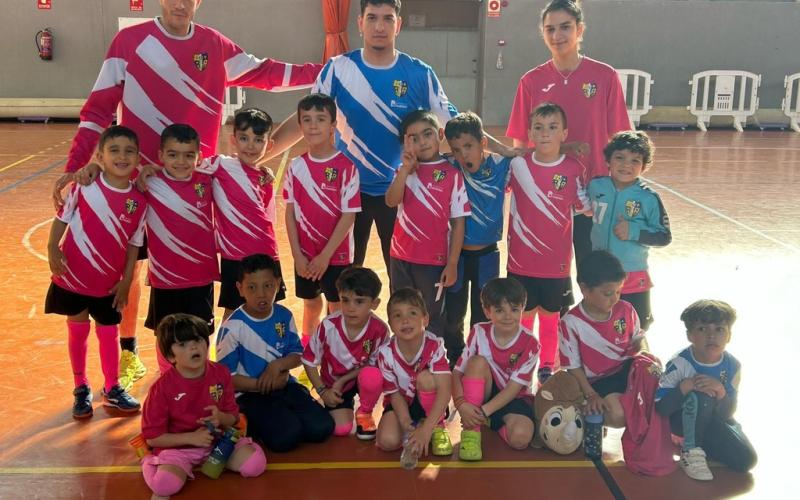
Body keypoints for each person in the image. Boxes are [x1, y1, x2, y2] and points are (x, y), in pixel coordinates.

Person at [52, 0, 323, 391]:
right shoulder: (129, 42)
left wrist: (326, 71)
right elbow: (97, 111)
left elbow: (268, 72)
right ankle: (129, 352)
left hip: (193, 189)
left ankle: (202, 366)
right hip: (139, 184)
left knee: (190, 278)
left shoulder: (215, 46)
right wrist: (77, 166)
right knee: (130, 273)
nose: (180, 3)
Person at [270, 0, 516, 278]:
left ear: (398, 25)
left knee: (401, 279)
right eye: (372, 18)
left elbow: (455, 122)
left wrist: (502, 148)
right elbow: (306, 117)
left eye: (387, 18)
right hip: (348, 192)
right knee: (345, 281)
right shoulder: (338, 69)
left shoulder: (419, 73)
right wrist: (265, 153)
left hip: (399, 192)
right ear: (360, 23)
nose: (379, 26)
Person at [506, 0, 630, 267]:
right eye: (550, 29)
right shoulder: (531, 81)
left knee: (593, 270)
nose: (557, 35)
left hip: (593, 192)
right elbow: (520, 147)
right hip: (547, 193)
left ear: (580, 30)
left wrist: (621, 191)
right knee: (549, 273)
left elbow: (620, 139)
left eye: (565, 27)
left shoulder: (605, 76)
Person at [45, 125, 145, 418]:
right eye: (114, 150)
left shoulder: (139, 201)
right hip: (73, 276)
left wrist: (126, 281)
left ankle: (112, 387)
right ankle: (80, 386)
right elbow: (62, 218)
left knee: (108, 333)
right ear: (100, 157)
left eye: (129, 151)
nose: (122, 156)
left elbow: (134, 244)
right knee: (77, 332)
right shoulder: (84, 186)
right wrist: (52, 247)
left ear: (138, 158)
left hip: (109, 283)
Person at [216, 254, 334, 452]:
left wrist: (278, 365)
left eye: (268, 285)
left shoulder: (283, 315)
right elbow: (227, 379)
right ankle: (248, 421)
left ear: (278, 284)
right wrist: (263, 385)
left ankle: (283, 414)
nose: (261, 294)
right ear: (240, 288)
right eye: (252, 287)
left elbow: (297, 354)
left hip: (284, 386)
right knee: (286, 438)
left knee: (322, 428)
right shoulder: (232, 327)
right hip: (249, 394)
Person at [141, 313, 266, 499]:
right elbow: (153, 438)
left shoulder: (221, 373)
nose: (193, 346)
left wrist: (221, 418)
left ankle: (213, 461)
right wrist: (192, 438)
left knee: (255, 465)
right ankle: (149, 462)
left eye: (198, 340)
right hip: (178, 449)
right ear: (170, 356)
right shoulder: (161, 388)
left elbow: (233, 416)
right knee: (164, 486)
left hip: (217, 443)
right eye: (182, 344)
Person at [507, 102, 589, 383]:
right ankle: (523, 362)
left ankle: (546, 365)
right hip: (520, 260)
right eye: (538, 128)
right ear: (529, 133)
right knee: (523, 316)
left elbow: (585, 206)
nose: (545, 133)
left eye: (552, 127)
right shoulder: (517, 165)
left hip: (556, 264)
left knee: (551, 318)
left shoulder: (573, 168)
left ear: (564, 134)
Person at [385, 110, 470, 343]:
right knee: (401, 311)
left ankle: (433, 360)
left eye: (427, 134)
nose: (422, 142)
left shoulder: (452, 175)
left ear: (440, 135)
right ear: (406, 142)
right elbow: (391, 201)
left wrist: (452, 263)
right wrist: (405, 170)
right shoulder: (404, 171)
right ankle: (403, 358)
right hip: (400, 256)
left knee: (431, 316)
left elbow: (458, 222)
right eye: (414, 138)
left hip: (433, 261)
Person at [283, 93, 361, 347]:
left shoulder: (346, 167)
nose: (313, 125)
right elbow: (289, 213)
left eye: (320, 119)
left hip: (336, 255)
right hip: (305, 255)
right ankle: (310, 350)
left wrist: (326, 256)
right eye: (307, 119)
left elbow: (349, 215)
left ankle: (335, 352)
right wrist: (297, 255)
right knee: (311, 304)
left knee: (336, 305)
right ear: (300, 125)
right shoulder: (295, 167)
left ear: (332, 125)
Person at [140, 124, 218, 374]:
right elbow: (114, 171)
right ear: (161, 155)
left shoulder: (207, 179)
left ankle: (199, 377)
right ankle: (168, 378)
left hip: (200, 277)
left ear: (199, 157)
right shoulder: (149, 182)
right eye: (173, 154)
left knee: (200, 332)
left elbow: (239, 167)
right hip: (166, 279)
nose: (181, 162)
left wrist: (263, 171)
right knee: (166, 334)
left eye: (188, 155)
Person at [655, 300, 757, 480]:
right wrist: (685, 387)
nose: (711, 336)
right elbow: (661, 408)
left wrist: (721, 391)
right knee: (701, 395)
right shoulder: (679, 363)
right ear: (690, 335)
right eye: (702, 329)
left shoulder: (733, 365)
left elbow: (727, 413)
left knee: (746, 460)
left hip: (711, 419)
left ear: (729, 335)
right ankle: (690, 451)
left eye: (719, 329)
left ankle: (701, 444)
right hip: (680, 421)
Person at [442, 112, 512, 366]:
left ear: (483, 142)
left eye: (469, 146)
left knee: (483, 314)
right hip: (456, 255)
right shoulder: (449, 165)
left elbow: (529, 154)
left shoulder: (501, 165)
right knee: (453, 314)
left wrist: (502, 148)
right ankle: (454, 355)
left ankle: (478, 357)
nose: (463, 155)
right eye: (457, 149)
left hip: (488, 255)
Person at [587, 131, 671, 331]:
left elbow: (664, 236)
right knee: (600, 324)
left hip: (632, 275)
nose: (627, 165)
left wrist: (633, 231)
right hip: (600, 273)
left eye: (635, 160)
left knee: (636, 327)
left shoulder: (648, 198)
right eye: (620, 158)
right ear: (608, 160)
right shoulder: (595, 186)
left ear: (644, 166)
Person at [452, 278, 540, 461]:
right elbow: (457, 373)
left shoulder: (530, 343)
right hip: (484, 393)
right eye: (499, 310)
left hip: (513, 399)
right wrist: (461, 404)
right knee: (476, 362)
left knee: (521, 439)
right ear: (487, 311)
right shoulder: (479, 332)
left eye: (514, 309)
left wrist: (483, 412)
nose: (508, 316)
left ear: (523, 308)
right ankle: (471, 431)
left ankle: (487, 420)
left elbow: (513, 389)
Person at [301, 267, 390, 440]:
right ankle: (337, 404)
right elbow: (308, 361)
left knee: (373, 376)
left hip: (358, 378)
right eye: (345, 300)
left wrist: (343, 380)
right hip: (333, 384)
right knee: (341, 429)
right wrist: (322, 391)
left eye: (359, 301)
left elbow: (374, 365)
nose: (350, 308)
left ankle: (365, 412)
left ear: (375, 303)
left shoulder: (380, 329)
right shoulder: (328, 326)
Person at [559, 250, 643, 429]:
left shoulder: (627, 309)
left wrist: (646, 356)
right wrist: (591, 395)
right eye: (608, 293)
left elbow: (639, 339)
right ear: (584, 289)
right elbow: (573, 367)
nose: (615, 298)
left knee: (656, 398)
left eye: (618, 291)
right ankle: (587, 416)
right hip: (598, 382)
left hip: (628, 371)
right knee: (618, 415)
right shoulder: (570, 322)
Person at [376, 288, 453, 457]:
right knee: (387, 441)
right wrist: (405, 423)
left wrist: (427, 429)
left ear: (425, 319)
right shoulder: (385, 353)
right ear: (390, 324)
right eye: (397, 315)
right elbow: (394, 394)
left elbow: (445, 390)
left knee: (426, 378)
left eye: (412, 313)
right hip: (402, 402)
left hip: (429, 399)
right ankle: (416, 427)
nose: (405, 320)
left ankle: (437, 425)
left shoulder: (435, 345)